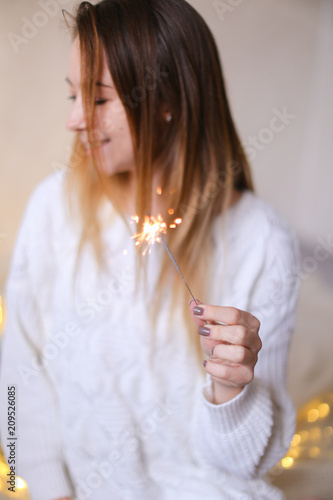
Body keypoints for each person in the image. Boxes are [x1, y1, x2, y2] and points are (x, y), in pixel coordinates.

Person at [0, 0, 300, 499]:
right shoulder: (54, 207)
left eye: (97, 100)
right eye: (72, 95)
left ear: (166, 101)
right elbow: (16, 373)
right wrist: (43, 486)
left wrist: (229, 392)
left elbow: (246, 466)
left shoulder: (263, 242)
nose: (75, 120)